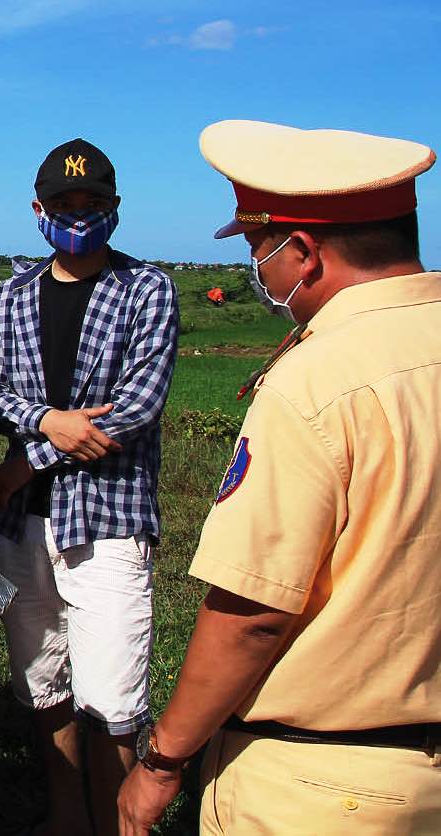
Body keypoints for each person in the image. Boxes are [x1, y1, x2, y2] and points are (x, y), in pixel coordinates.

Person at [119, 120, 440, 835]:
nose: (257, 274)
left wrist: (164, 759)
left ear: (301, 253)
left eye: (258, 252)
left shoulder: (316, 380)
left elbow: (254, 615)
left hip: (323, 783)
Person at [0, 138, 179, 836]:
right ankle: (68, 819)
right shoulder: (15, 292)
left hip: (107, 520)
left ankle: (120, 823)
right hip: (24, 525)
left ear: (115, 210)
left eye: (93, 204)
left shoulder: (146, 289)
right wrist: (51, 424)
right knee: (44, 685)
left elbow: (134, 410)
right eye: (65, 204)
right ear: (40, 210)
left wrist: (26, 460)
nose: (79, 215)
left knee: (114, 702)